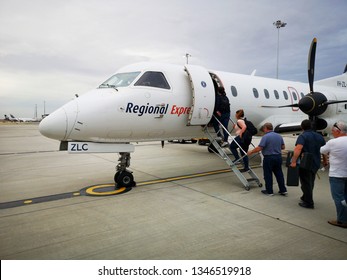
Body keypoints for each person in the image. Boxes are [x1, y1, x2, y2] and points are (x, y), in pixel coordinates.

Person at [290, 119, 328, 209]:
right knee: (311, 181)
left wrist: (293, 161)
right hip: (316, 162)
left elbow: (298, 149)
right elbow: (324, 150)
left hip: (306, 163)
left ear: (302, 127)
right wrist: (325, 161)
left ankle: (309, 202)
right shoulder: (319, 136)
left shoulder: (303, 136)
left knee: (305, 183)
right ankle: (305, 196)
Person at [248, 122, 287, 196]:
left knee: (268, 175)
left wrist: (251, 152)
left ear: (266, 128)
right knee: (279, 174)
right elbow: (283, 147)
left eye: (264, 129)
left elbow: (260, 147)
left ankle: (269, 191)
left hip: (269, 158)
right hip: (278, 157)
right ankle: (283, 190)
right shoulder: (279, 136)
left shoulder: (265, 137)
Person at [320, 121, 347, 228]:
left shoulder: (333, 142)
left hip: (337, 175)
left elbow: (322, 150)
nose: (332, 133)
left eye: (333, 131)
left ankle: (342, 220)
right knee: (345, 197)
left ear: (338, 131)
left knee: (338, 198)